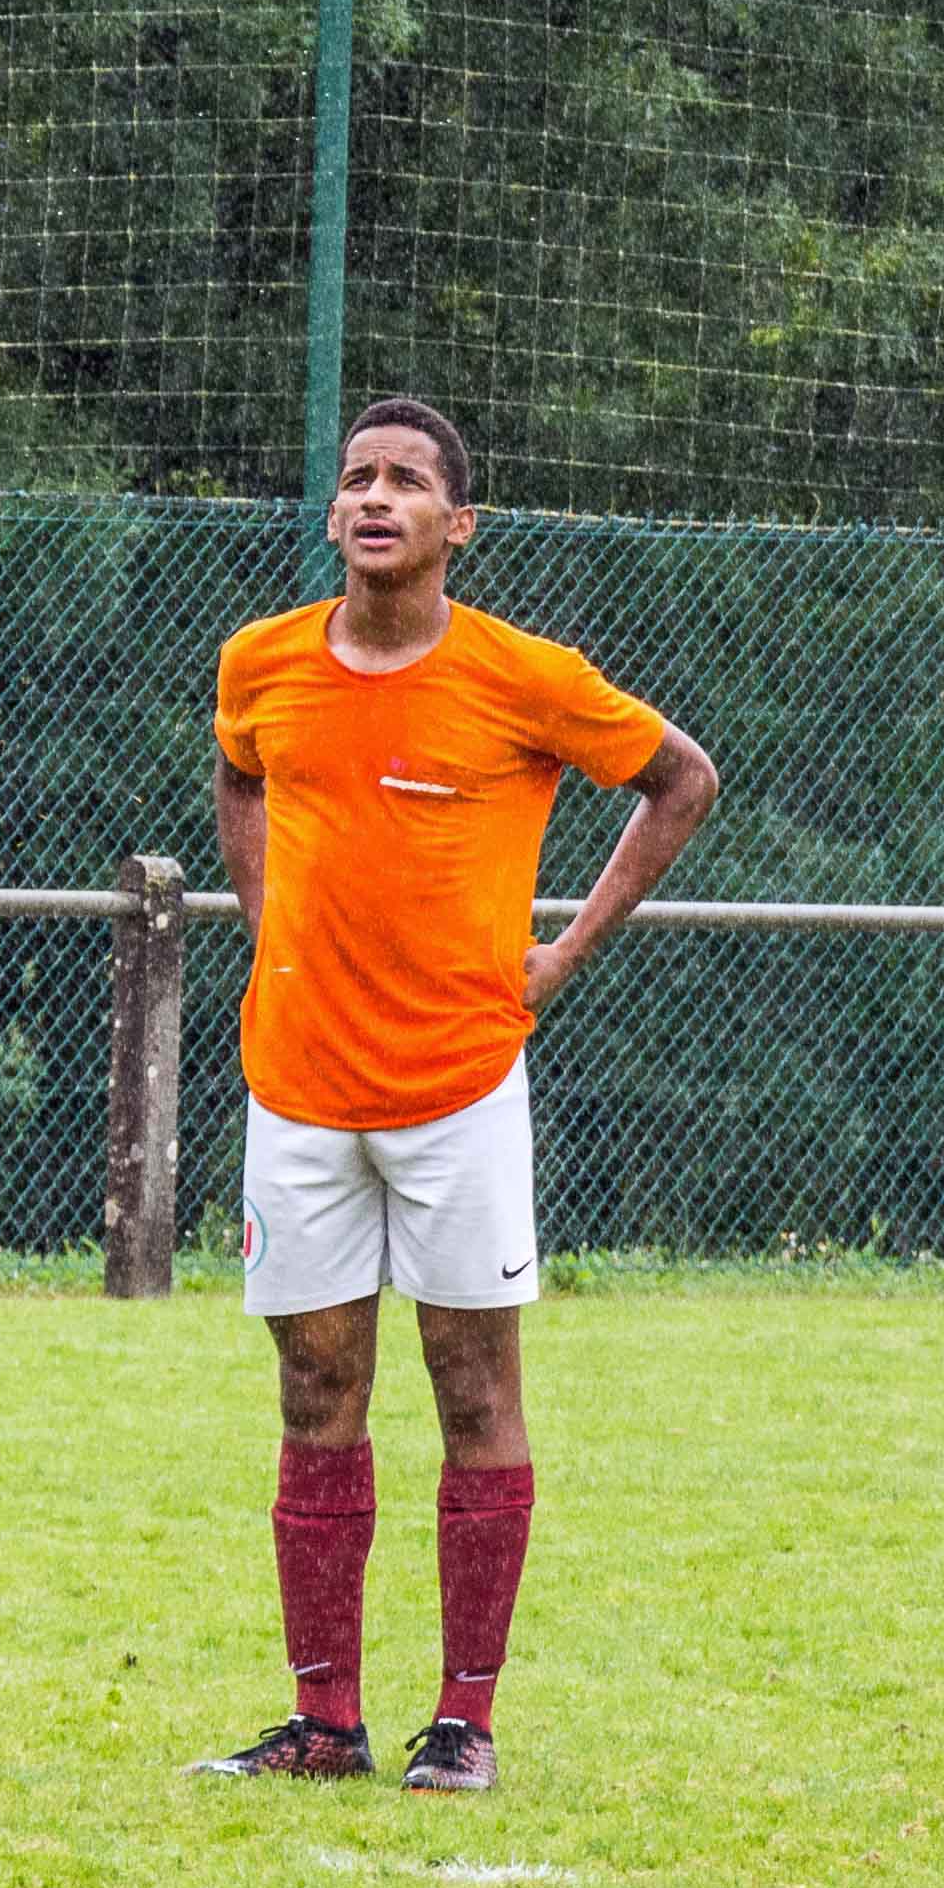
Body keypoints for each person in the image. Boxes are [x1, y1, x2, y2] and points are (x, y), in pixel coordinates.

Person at [193, 399, 719, 1794]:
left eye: (408, 481)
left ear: (457, 526)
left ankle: (465, 1721)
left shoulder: (525, 676)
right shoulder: (261, 662)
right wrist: (270, 925)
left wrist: (556, 958)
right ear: (333, 516)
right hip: (296, 1085)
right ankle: (324, 1722)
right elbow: (240, 775)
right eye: (358, 477)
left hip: (460, 1083)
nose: (377, 497)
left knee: (472, 1388)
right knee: (317, 1388)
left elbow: (681, 779)